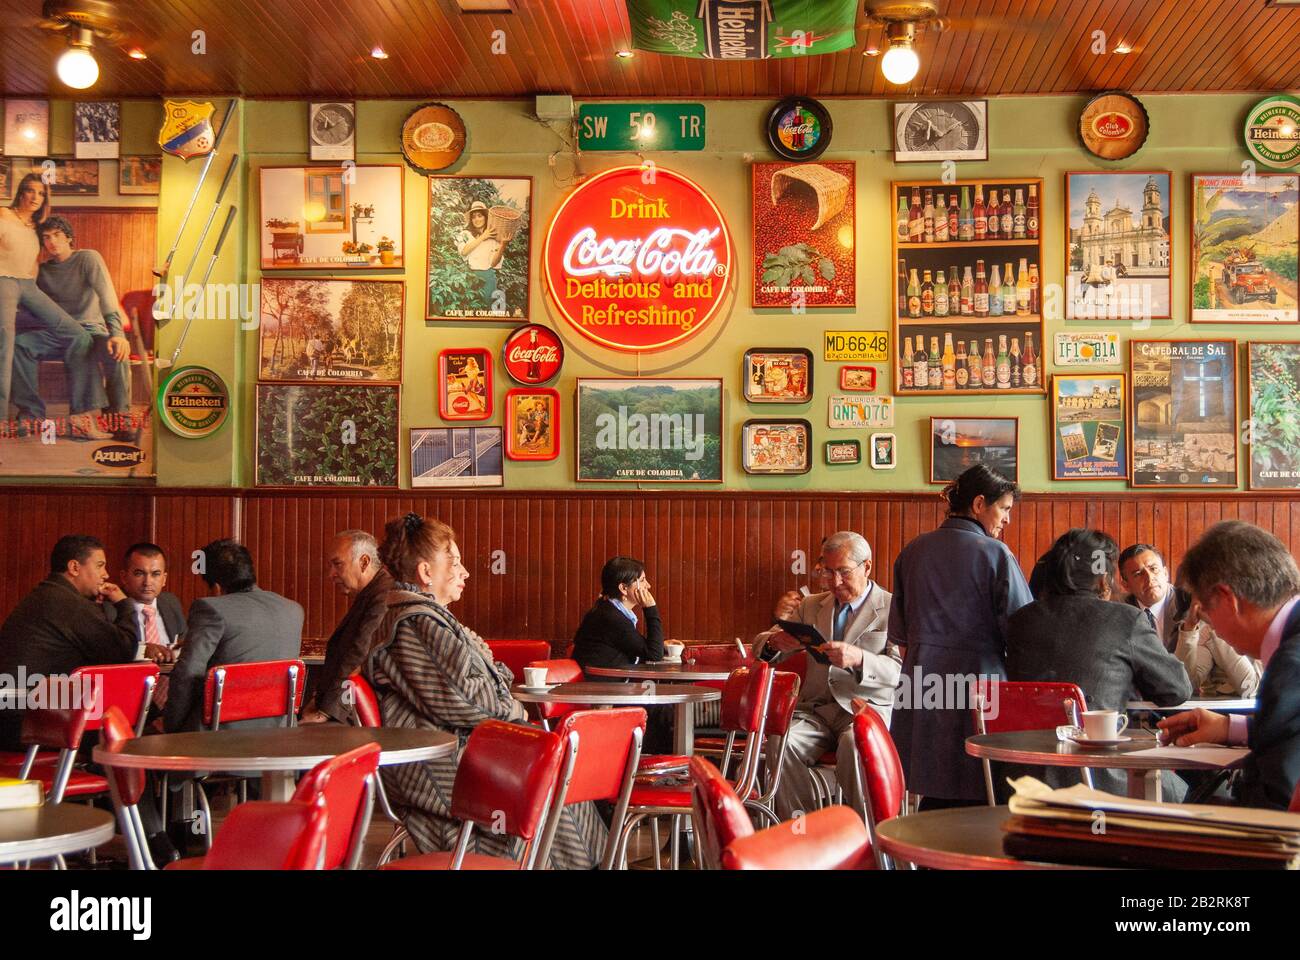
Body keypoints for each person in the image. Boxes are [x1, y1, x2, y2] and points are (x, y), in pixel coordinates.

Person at [364, 513, 604, 868]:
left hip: (448, 746)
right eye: (456, 563)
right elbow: (466, 700)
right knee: (553, 776)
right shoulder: (416, 621)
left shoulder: (423, 617)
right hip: (436, 760)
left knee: (560, 773)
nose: (465, 573)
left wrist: (508, 705)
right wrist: (516, 711)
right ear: (426, 573)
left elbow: (483, 683)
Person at [888, 464, 1034, 809]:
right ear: (980, 503)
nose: (1008, 519)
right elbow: (1023, 630)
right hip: (980, 682)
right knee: (982, 784)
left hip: (920, 680)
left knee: (930, 786)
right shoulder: (996, 554)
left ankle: (927, 856)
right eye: (1005, 509)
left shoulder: (912, 551)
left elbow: (901, 634)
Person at [1007, 529, 1192, 797]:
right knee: (1193, 788)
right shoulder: (1126, 620)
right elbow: (1177, 689)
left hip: (1021, 780)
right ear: (1104, 578)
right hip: (1103, 778)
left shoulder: (1020, 621)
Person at [751, 531, 896, 820]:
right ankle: (805, 829)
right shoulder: (811, 605)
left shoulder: (894, 607)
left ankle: (867, 836)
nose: (835, 581)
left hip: (865, 710)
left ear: (867, 566)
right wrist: (773, 643)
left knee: (855, 744)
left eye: (843, 572)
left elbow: (902, 671)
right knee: (782, 740)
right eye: (827, 572)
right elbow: (761, 646)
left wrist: (860, 659)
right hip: (816, 710)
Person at [1157, 521, 1300, 810]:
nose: (1209, 623)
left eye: (1205, 610)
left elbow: (1278, 804)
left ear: (1227, 599)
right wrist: (1229, 728)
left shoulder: (1291, 663)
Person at [0, 534, 138, 750]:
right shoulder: (68, 604)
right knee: (131, 727)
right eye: (100, 566)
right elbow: (123, 650)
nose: (106, 575)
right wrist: (124, 604)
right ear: (74, 567)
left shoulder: (48, 595)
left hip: (13, 714)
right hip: (30, 723)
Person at [0, 174, 105, 440]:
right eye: (30, 191)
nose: (35, 197)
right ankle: (15, 416)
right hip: (3, 282)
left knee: (78, 334)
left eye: (41, 193)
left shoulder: (35, 226)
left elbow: (33, 262)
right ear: (20, 193)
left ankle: (81, 415)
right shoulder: (3, 214)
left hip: (27, 286)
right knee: (7, 347)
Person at [163, 539, 304, 733]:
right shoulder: (293, 610)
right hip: (280, 734)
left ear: (217, 587)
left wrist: (171, 727)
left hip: (218, 736)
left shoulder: (210, 608)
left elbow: (187, 673)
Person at [18, 216, 135, 440]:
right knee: (20, 345)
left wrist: (118, 335)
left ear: (69, 237)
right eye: (46, 237)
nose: (51, 241)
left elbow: (108, 298)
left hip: (91, 331)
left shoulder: (88, 258)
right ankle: (31, 413)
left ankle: (118, 420)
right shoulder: (40, 271)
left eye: (57, 235)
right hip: (56, 334)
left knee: (118, 354)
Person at [1120, 543, 1261, 698]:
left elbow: (1249, 688)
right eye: (1138, 573)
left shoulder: (1192, 605)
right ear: (1126, 585)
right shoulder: (1119, 614)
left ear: (1166, 573)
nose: (1149, 578)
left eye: (1154, 569)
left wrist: (1213, 624)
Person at [572, 556, 672, 754]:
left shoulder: (608, 612)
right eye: (642, 580)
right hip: (601, 695)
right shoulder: (610, 617)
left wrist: (659, 645)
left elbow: (641, 648)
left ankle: (648, 766)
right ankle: (648, 768)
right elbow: (653, 654)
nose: (648, 585)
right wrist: (650, 608)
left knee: (662, 703)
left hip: (611, 689)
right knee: (665, 710)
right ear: (624, 589)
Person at [300, 530, 394, 724]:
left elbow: (358, 655)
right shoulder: (373, 592)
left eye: (338, 564)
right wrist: (318, 699)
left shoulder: (382, 595)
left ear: (364, 562)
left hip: (350, 714)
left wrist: (326, 712)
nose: (331, 574)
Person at [109, 542, 185, 663]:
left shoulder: (171, 603)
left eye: (155, 574)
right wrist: (142, 650)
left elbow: (182, 643)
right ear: (124, 577)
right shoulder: (109, 609)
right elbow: (109, 651)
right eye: (139, 573)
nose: (147, 582)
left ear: (164, 579)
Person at [456, 201, 504, 308]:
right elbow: (464, 251)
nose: (476, 219)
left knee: (487, 309)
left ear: (486, 217)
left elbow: (494, 263)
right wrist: (483, 236)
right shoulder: (465, 234)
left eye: (480, 216)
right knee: (470, 308)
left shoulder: (493, 237)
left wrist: (503, 244)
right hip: (470, 276)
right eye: (473, 217)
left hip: (488, 278)